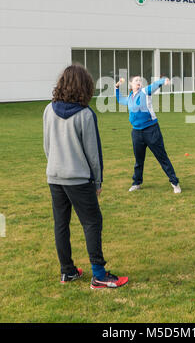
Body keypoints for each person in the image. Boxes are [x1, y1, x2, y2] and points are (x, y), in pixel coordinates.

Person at [43, 64, 128, 289]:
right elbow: (93, 154)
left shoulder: (48, 110)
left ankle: (67, 271)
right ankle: (99, 275)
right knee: (92, 222)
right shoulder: (86, 114)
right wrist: (97, 181)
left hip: (55, 177)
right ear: (86, 86)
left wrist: (55, 166)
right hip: (78, 179)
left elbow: (47, 147)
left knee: (61, 224)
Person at [116, 75, 181, 193]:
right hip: (136, 132)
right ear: (131, 84)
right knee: (138, 160)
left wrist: (163, 81)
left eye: (140, 80)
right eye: (136, 81)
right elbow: (120, 100)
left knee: (162, 157)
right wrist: (116, 88)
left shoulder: (145, 92)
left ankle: (175, 182)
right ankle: (137, 183)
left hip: (151, 130)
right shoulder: (130, 97)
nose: (139, 82)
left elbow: (154, 85)